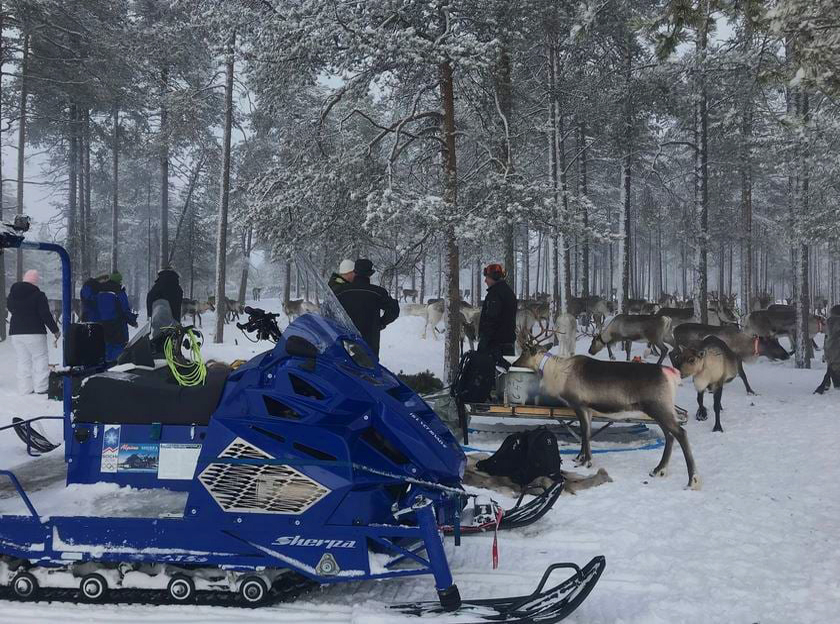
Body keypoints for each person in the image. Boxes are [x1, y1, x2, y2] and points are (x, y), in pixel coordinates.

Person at [7, 269, 60, 394]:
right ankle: (41, 387)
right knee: (40, 358)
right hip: (35, 332)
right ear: (35, 282)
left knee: (23, 360)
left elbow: (10, 307)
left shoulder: (13, 294)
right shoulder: (39, 295)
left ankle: (25, 388)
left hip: (16, 332)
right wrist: (55, 330)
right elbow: (45, 314)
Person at [335, 258, 400, 356]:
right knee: (368, 368)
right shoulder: (377, 292)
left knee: (346, 369)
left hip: (345, 342)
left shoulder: (340, 292)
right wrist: (381, 323)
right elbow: (394, 310)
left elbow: (328, 312)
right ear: (370, 274)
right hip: (370, 344)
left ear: (355, 272)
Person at [478, 263, 517, 364]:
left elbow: (491, 320)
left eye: (487, 278)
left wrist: (483, 342)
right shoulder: (509, 292)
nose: (485, 281)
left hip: (495, 347)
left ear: (494, 278)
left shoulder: (495, 295)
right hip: (508, 344)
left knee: (492, 377)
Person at [97, 271, 138, 362]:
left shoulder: (100, 291)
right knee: (118, 350)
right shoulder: (118, 291)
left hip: (103, 326)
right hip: (117, 326)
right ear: (119, 281)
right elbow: (125, 310)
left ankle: (106, 369)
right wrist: (133, 321)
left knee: (107, 348)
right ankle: (116, 368)